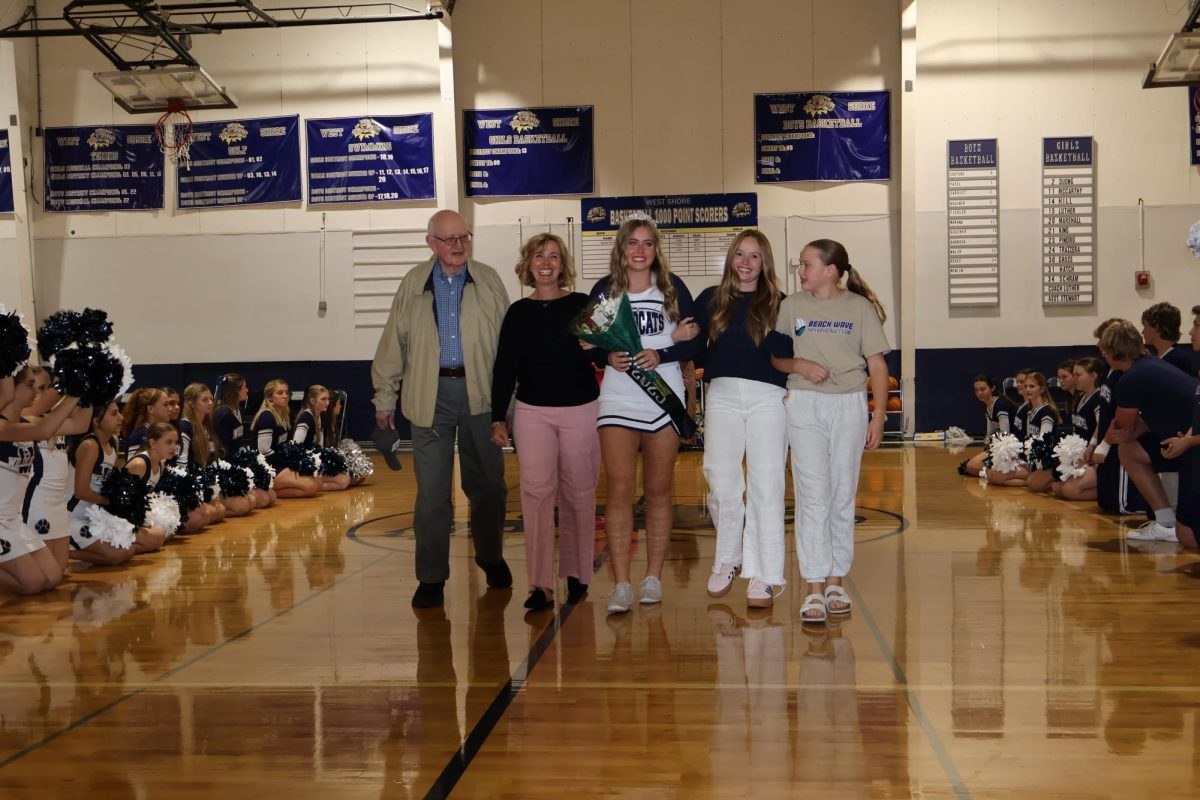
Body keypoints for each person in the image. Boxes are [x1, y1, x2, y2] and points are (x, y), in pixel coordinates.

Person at [372, 209, 512, 608]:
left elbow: (508, 345)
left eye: (463, 237)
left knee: (488, 487)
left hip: (481, 397)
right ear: (430, 242)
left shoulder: (489, 280)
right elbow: (392, 345)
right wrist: (385, 399)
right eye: (448, 239)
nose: (458, 246)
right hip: (428, 397)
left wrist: (510, 404)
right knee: (431, 496)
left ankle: (490, 556)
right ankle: (431, 577)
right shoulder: (414, 283)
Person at [771, 239, 889, 624]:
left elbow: (877, 365)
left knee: (842, 492)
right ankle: (814, 587)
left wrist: (878, 416)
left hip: (849, 405)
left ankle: (836, 580)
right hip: (804, 403)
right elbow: (776, 357)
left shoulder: (859, 307)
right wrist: (800, 366)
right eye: (800, 265)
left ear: (831, 269)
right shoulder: (791, 306)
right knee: (812, 494)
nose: (800, 271)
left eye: (806, 264)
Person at [587, 216, 701, 614]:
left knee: (658, 491)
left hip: (662, 396)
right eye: (632, 244)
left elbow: (694, 342)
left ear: (656, 248)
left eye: (647, 244)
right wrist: (607, 354)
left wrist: (664, 353)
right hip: (618, 396)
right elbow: (585, 341)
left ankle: (652, 577)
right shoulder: (606, 289)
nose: (639, 251)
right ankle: (620, 583)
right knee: (618, 491)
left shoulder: (672, 287)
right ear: (621, 248)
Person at [490, 233, 600, 612]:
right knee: (536, 493)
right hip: (532, 412)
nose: (546, 262)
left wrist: (597, 346)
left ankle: (577, 573)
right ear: (528, 264)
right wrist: (496, 416)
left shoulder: (582, 304)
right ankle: (539, 585)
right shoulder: (517, 313)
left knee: (579, 492)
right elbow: (505, 368)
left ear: (563, 264)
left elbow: (612, 344)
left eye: (554, 256)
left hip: (581, 408)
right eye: (539, 256)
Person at [693, 230, 788, 608]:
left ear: (764, 263)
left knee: (766, 484)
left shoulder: (781, 303)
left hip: (769, 397)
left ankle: (765, 574)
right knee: (720, 478)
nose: (746, 263)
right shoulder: (710, 300)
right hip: (723, 396)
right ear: (731, 259)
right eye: (740, 255)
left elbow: (795, 350)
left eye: (755, 256)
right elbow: (691, 347)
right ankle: (729, 558)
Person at [1101, 320, 1199, 543]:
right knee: (1130, 448)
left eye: (1105, 351)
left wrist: (1103, 445)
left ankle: (1166, 522)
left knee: (1188, 537)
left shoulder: (1130, 379)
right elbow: (1147, 420)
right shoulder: (1151, 365)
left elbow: (1122, 428)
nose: (1104, 357)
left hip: (1189, 445)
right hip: (1184, 437)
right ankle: (1165, 522)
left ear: (1115, 352)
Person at [0, 370, 79, 593]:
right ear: (10, 389)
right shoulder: (2, 427)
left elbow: (80, 424)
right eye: (30, 384)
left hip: (14, 521)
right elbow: (44, 431)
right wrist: (73, 391)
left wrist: (88, 388)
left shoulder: (27, 423)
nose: (37, 390)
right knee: (32, 583)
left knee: (52, 577)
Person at [22, 371, 93, 572]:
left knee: (59, 570)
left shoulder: (52, 422)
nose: (41, 393)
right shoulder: (25, 420)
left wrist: (89, 390)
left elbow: (81, 424)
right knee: (44, 574)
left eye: (46, 388)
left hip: (58, 503)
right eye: (36, 387)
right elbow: (37, 413)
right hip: (37, 501)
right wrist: (68, 383)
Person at [253, 379, 321, 499]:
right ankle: (264, 489)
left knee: (316, 484)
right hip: (267, 466)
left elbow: (287, 445)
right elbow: (263, 450)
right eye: (280, 393)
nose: (285, 396)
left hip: (278, 463)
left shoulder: (284, 416)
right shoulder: (267, 417)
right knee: (310, 487)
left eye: (286, 392)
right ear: (269, 398)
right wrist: (287, 464)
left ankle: (269, 492)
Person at [1050, 357, 1106, 501]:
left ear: (1093, 376)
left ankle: (1112, 490)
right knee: (1056, 487)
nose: (1074, 379)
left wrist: (1092, 446)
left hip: (1094, 457)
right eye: (1073, 375)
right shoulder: (1080, 398)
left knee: (1070, 491)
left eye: (1078, 375)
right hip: (1080, 456)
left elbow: (1102, 424)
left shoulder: (1099, 398)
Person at [293, 385, 351, 492]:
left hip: (315, 462)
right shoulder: (306, 417)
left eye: (328, 399)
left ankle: (313, 484)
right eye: (323, 399)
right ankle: (310, 485)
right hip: (305, 464)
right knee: (343, 481)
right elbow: (295, 446)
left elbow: (319, 447)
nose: (327, 403)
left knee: (348, 477)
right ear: (312, 401)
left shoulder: (318, 416)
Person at [960, 375, 1015, 478]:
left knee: (971, 467)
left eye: (983, 389)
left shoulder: (1001, 405)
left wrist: (995, 453)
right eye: (976, 390)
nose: (979, 393)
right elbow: (990, 434)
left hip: (1012, 447)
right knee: (969, 466)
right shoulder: (987, 405)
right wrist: (988, 449)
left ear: (992, 388)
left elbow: (1005, 435)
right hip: (1000, 446)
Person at [1141, 302, 1194, 375]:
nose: (1142, 332)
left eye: (1145, 326)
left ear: (1157, 327)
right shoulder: (1168, 356)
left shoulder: (1176, 360)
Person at [213, 374, 249, 455]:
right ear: (236, 391)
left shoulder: (238, 410)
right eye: (245, 387)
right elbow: (221, 445)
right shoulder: (223, 414)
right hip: (225, 462)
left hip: (236, 458)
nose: (247, 390)